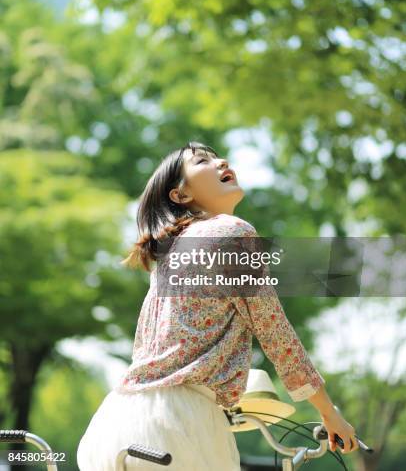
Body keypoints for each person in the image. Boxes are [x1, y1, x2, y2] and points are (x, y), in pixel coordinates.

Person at [77, 141, 359, 470]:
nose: (222, 161)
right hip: (177, 427)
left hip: (114, 424)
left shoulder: (168, 259)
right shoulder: (233, 232)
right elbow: (275, 332)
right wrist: (329, 412)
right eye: (202, 161)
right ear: (181, 195)